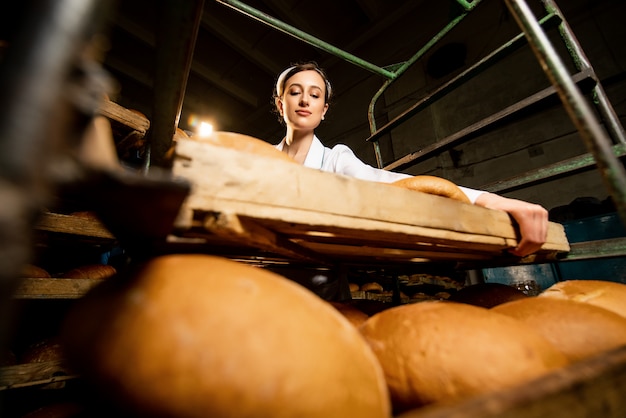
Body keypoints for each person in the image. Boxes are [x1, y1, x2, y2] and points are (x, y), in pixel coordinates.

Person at [273, 62, 548, 257]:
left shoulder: (335, 159)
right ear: (280, 103)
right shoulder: (260, 159)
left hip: (321, 282)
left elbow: (393, 182)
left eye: (315, 94)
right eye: (295, 92)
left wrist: (491, 200)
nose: (305, 100)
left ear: (324, 110)